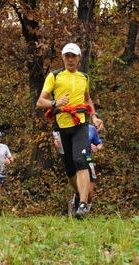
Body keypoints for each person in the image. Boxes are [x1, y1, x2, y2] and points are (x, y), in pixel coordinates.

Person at [36, 42, 103, 219]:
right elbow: (40, 102)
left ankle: (82, 204)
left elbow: (87, 100)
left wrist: (94, 117)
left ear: (79, 58)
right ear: (63, 58)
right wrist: (55, 103)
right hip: (60, 128)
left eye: (74, 56)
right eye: (67, 56)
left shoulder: (84, 78)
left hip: (79, 125)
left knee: (81, 160)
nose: (70, 59)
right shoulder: (54, 76)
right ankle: (76, 196)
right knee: (69, 169)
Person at [68, 123, 103, 216]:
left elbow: (99, 143)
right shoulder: (70, 126)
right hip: (77, 161)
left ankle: (85, 211)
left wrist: (97, 148)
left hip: (88, 161)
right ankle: (75, 205)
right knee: (81, 190)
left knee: (90, 193)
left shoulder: (91, 128)